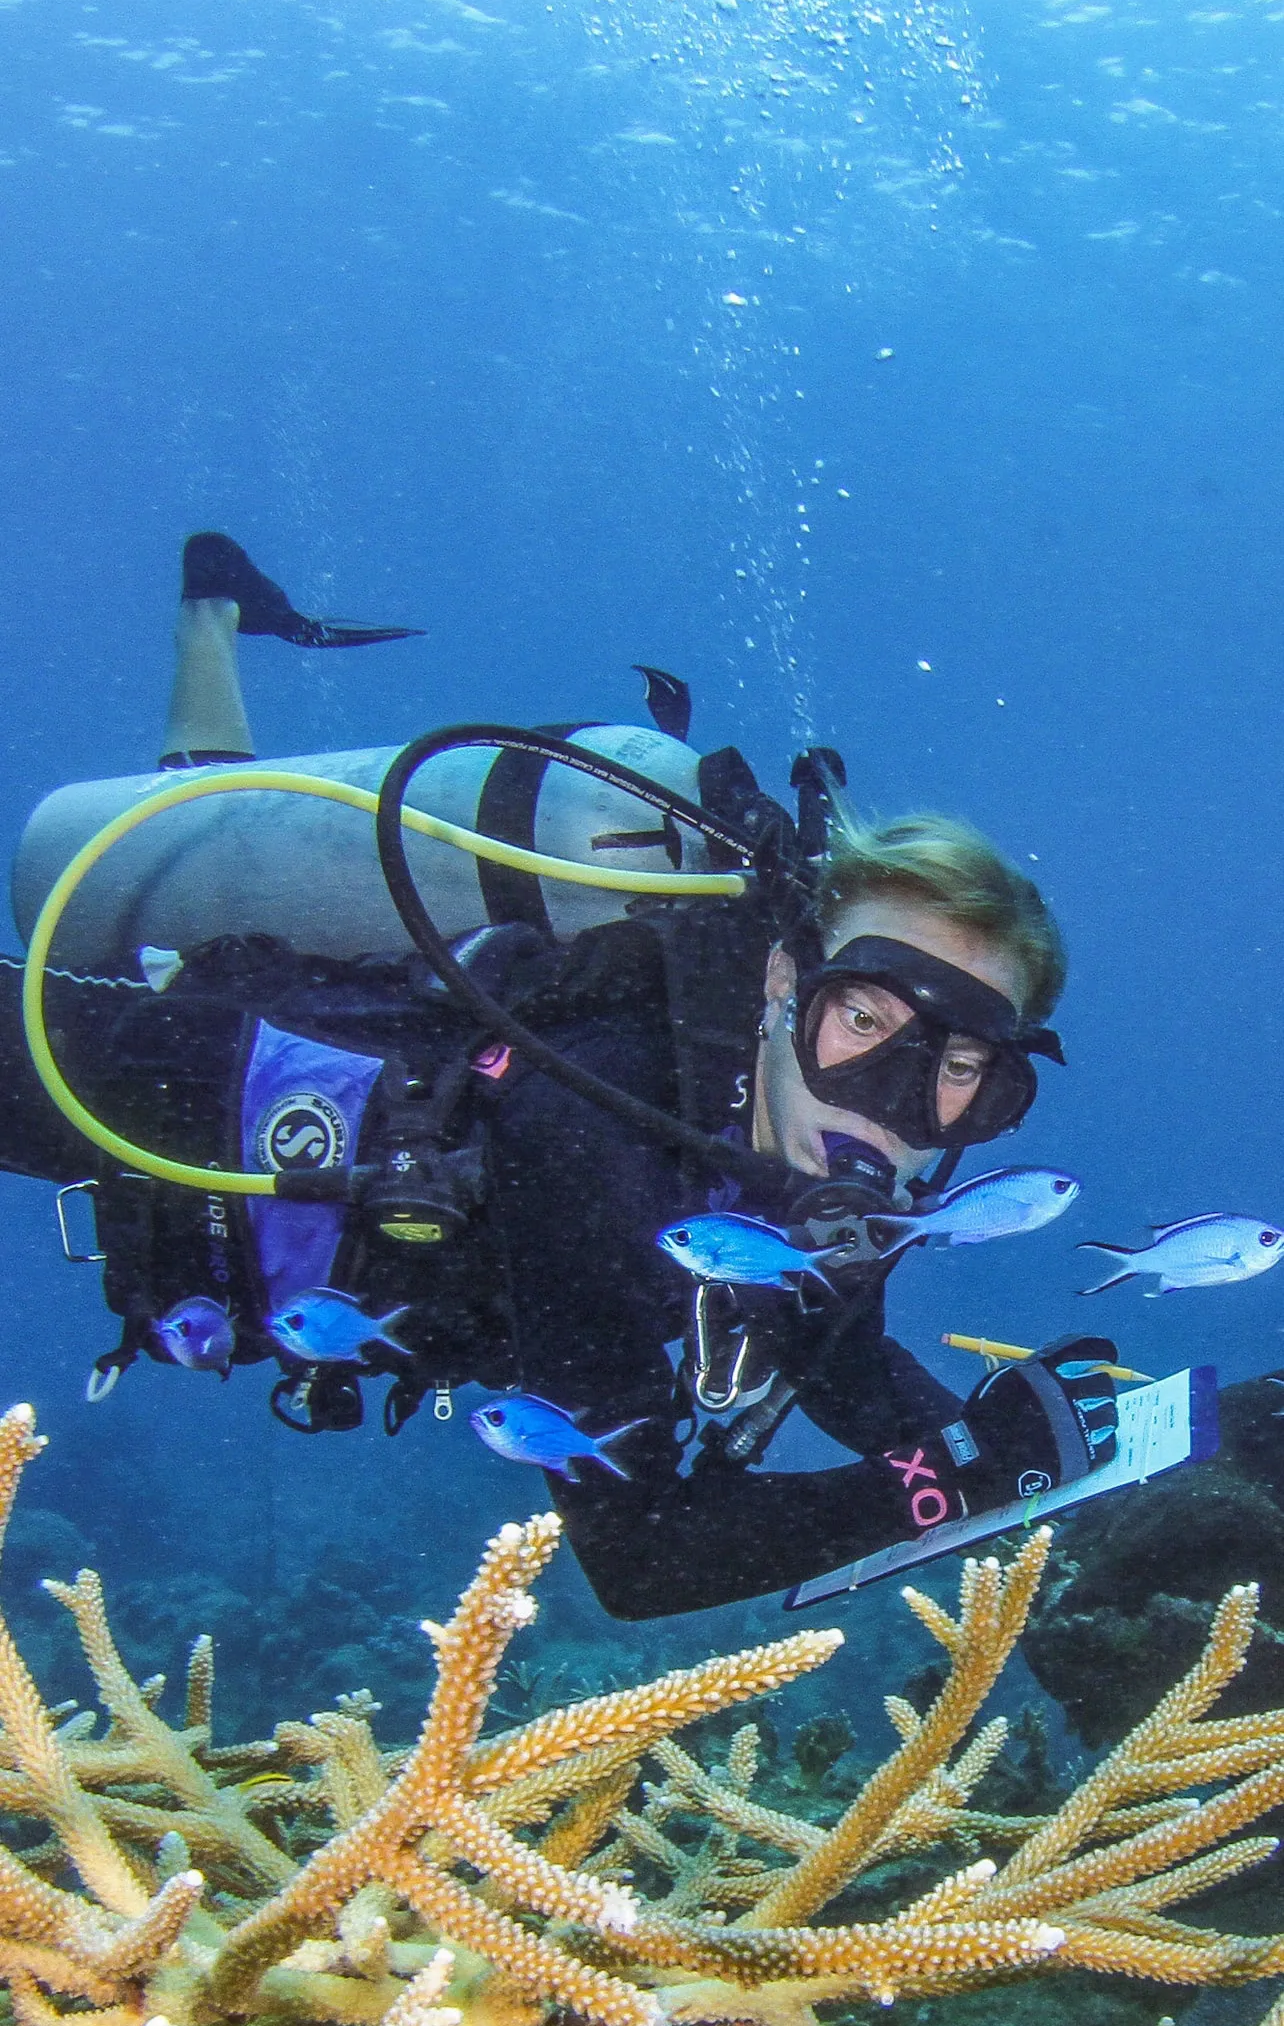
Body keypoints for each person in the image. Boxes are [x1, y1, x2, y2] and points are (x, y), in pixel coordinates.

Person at [0, 536, 1118, 1619]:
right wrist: (966, 1477)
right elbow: (644, 1558)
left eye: (960, 1068)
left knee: (210, 817)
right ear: (783, 983)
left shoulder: (803, 1159)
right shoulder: (598, 1125)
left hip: (255, 994)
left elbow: (843, 1363)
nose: (891, 1104)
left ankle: (211, 615)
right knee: (161, 883)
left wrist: (1016, 1446)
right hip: (144, 1070)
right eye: (863, 1020)